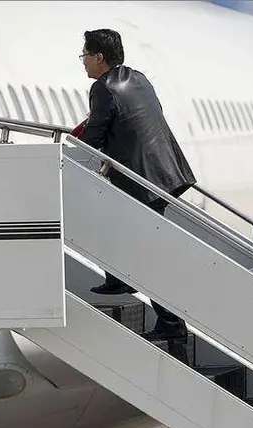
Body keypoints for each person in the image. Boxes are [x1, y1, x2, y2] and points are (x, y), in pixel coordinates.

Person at [78, 28, 197, 341]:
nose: (83, 62)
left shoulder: (103, 88)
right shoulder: (139, 78)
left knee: (146, 255)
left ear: (99, 58)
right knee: (115, 225)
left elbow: (94, 138)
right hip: (165, 173)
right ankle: (118, 278)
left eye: (85, 55)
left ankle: (171, 325)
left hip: (140, 181)